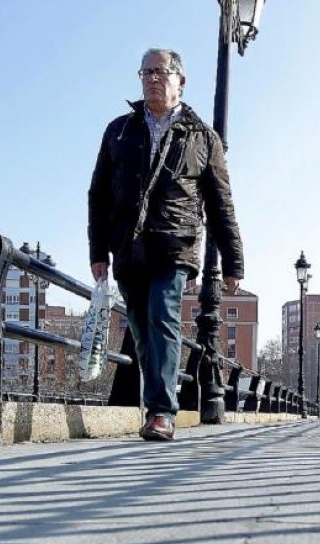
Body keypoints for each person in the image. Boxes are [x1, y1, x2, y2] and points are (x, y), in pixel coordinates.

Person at [88, 48, 244, 441]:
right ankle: (156, 402)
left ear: (181, 80)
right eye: (146, 72)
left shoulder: (203, 138)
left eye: (161, 72)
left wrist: (233, 263)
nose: (152, 79)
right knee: (140, 327)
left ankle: (161, 412)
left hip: (175, 245)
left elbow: (221, 202)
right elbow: (98, 194)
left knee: (163, 312)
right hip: (126, 246)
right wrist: (97, 251)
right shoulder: (119, 130)